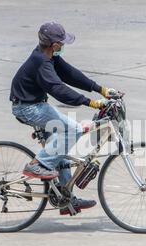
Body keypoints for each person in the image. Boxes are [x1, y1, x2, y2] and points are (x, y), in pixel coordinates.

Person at [9, 21, 119, 214]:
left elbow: (70, 74)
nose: (64, 45)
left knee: (59, 145)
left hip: (34, 104)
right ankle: (36, 165)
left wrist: (100, 89)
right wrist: (90, 102)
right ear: (54, 45)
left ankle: (67, 199)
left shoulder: (48, 56)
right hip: (28, 108)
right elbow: (58, 89)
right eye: (62, 42)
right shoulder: (41, 62)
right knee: (73, 130)